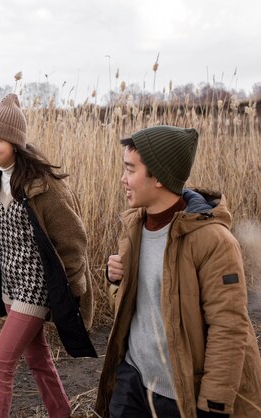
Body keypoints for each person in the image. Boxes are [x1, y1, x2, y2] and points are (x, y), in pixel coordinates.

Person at [95, 125, 261, 418]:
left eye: (130, 170)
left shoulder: (213, 241)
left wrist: (214, 405)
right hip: (133, 380)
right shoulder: (134, 227)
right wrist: (115, 280)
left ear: (158, 177)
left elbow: (229, 328)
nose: (123, 179)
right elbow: (137, 307)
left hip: (179, 395)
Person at [0, 93, 96, 418]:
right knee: (38, 360)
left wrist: (71, 288)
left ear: (15, 142)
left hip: (36, 289)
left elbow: (74, 240)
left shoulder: (43, 186)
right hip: (10, 286)